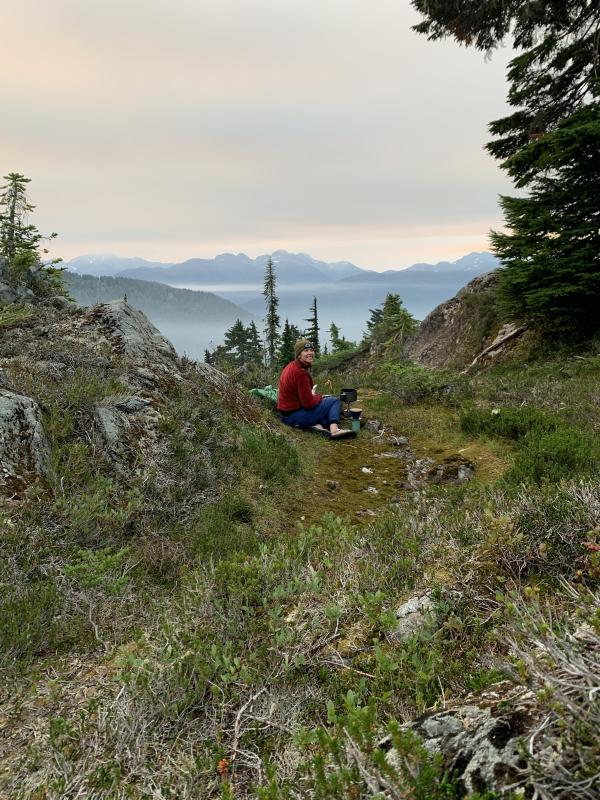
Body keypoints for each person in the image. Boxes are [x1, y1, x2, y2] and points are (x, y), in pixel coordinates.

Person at [276, 339, 353, 438]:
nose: (310, 353)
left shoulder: (291, 366)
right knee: (334, 401)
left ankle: (316, 426)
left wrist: (314, 397)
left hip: (285, 414)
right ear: (299, 355)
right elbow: (308, 404)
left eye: (311, 350)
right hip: (294, 416)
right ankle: (334, 430)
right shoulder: (300, 373)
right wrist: (320, 396)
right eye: (306, 351)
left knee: (325, 411)